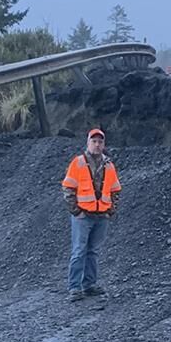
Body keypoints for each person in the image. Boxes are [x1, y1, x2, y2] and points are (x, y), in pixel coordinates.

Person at [61, 128, 121, 301]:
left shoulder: (109, 165)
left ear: (104, 144)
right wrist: (76, 211)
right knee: (79, 251)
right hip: (83, 216)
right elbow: (68, 188)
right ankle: (74, 287)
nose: (97, 144)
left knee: (93, 251)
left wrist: (111, 210)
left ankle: (89, 285)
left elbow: (115, 190)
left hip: (101, 216)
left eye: (100, 141)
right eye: (94, 141)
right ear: (88, 143)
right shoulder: (78, 163)